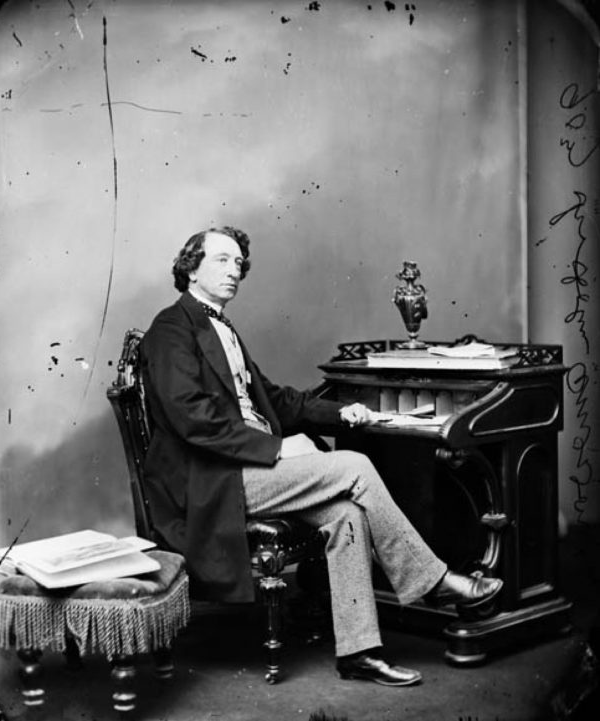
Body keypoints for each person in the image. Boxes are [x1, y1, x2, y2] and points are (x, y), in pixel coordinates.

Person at [140, 226, 503, 687]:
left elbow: (273, 399)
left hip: (245, 469)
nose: (235, 272)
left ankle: (358, 651)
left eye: (238, 264)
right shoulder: (170, 328)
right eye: (221, 261)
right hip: (213, 481)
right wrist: (276, 448)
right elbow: (192, 419)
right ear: (191, 268)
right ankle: (434, 581)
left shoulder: (222, 326)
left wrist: (341, 411)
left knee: (347, 513)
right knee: (354, 466)